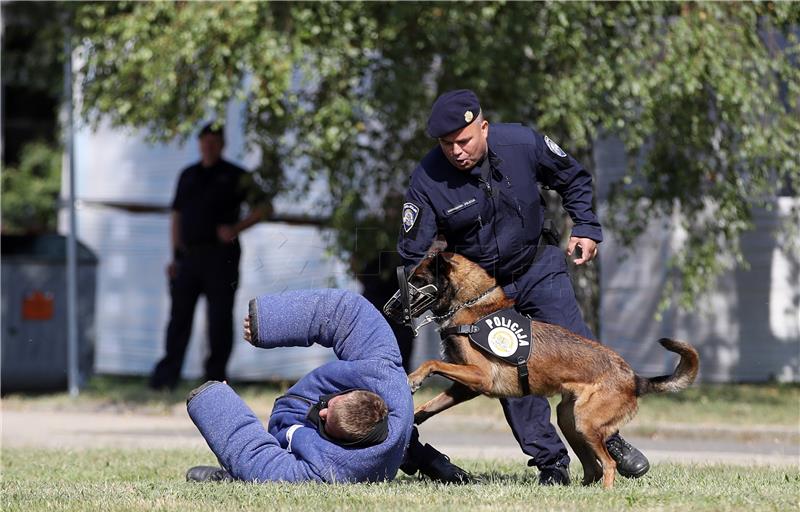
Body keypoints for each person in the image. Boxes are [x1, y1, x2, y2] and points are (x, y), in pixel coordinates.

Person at [396, 89, 650, 485]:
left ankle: (607, 438)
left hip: (537, 265)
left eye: (463, 141)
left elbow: (573, 177)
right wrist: (423, 279)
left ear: (483, 127)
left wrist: (585, 225)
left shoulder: (522, 143)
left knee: (579, 350)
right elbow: (414, 251)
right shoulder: (428, 178)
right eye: (447, 145)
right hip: (484, 293)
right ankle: (551, 464)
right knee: (511, 369)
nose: (456, 151)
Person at [185, 288, 414, 483]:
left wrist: (216, 403)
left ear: (348, 443)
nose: (322, 411)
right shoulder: (382, 372)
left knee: (257, 475)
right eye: (331, 406)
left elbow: (261, 466)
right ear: (354, 392)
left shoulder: (335, 468)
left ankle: (232, 476)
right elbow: (346, 312)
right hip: (299, 412)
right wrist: (269, 320)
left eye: (326, 421)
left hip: (293, 442)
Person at [149, 123, 265, 390]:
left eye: (214, 142)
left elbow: (264, 206)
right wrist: (175, 255)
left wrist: (235, 229)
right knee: (179, 318)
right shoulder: (188, 175)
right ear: (199, 144)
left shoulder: (235, 175)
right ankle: (167, 378)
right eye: (205, 142)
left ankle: (215, 379)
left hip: (220, 257)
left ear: (222, 145)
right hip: (189, 257)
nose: (209, 147)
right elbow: (177, 216)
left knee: (219, 320)